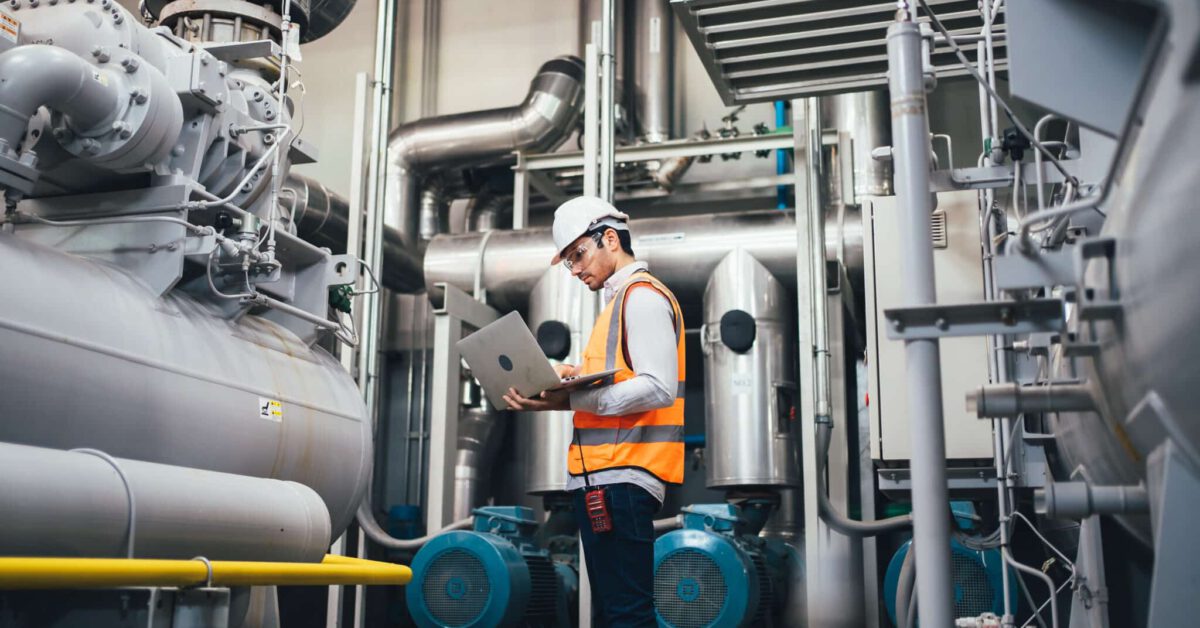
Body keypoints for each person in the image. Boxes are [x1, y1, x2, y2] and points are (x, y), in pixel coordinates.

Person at [502, 196, 685, 627]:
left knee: (626, 615)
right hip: (607, 479)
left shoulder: (640, 297)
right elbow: (616, 380)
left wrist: (569, 397)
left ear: (609, 239)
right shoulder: (619, 305)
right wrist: (564, 379)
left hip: (623, 477)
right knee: (614, 614)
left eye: (579, 254)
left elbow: (657, 387)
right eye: (568, 262)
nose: (577, 269)